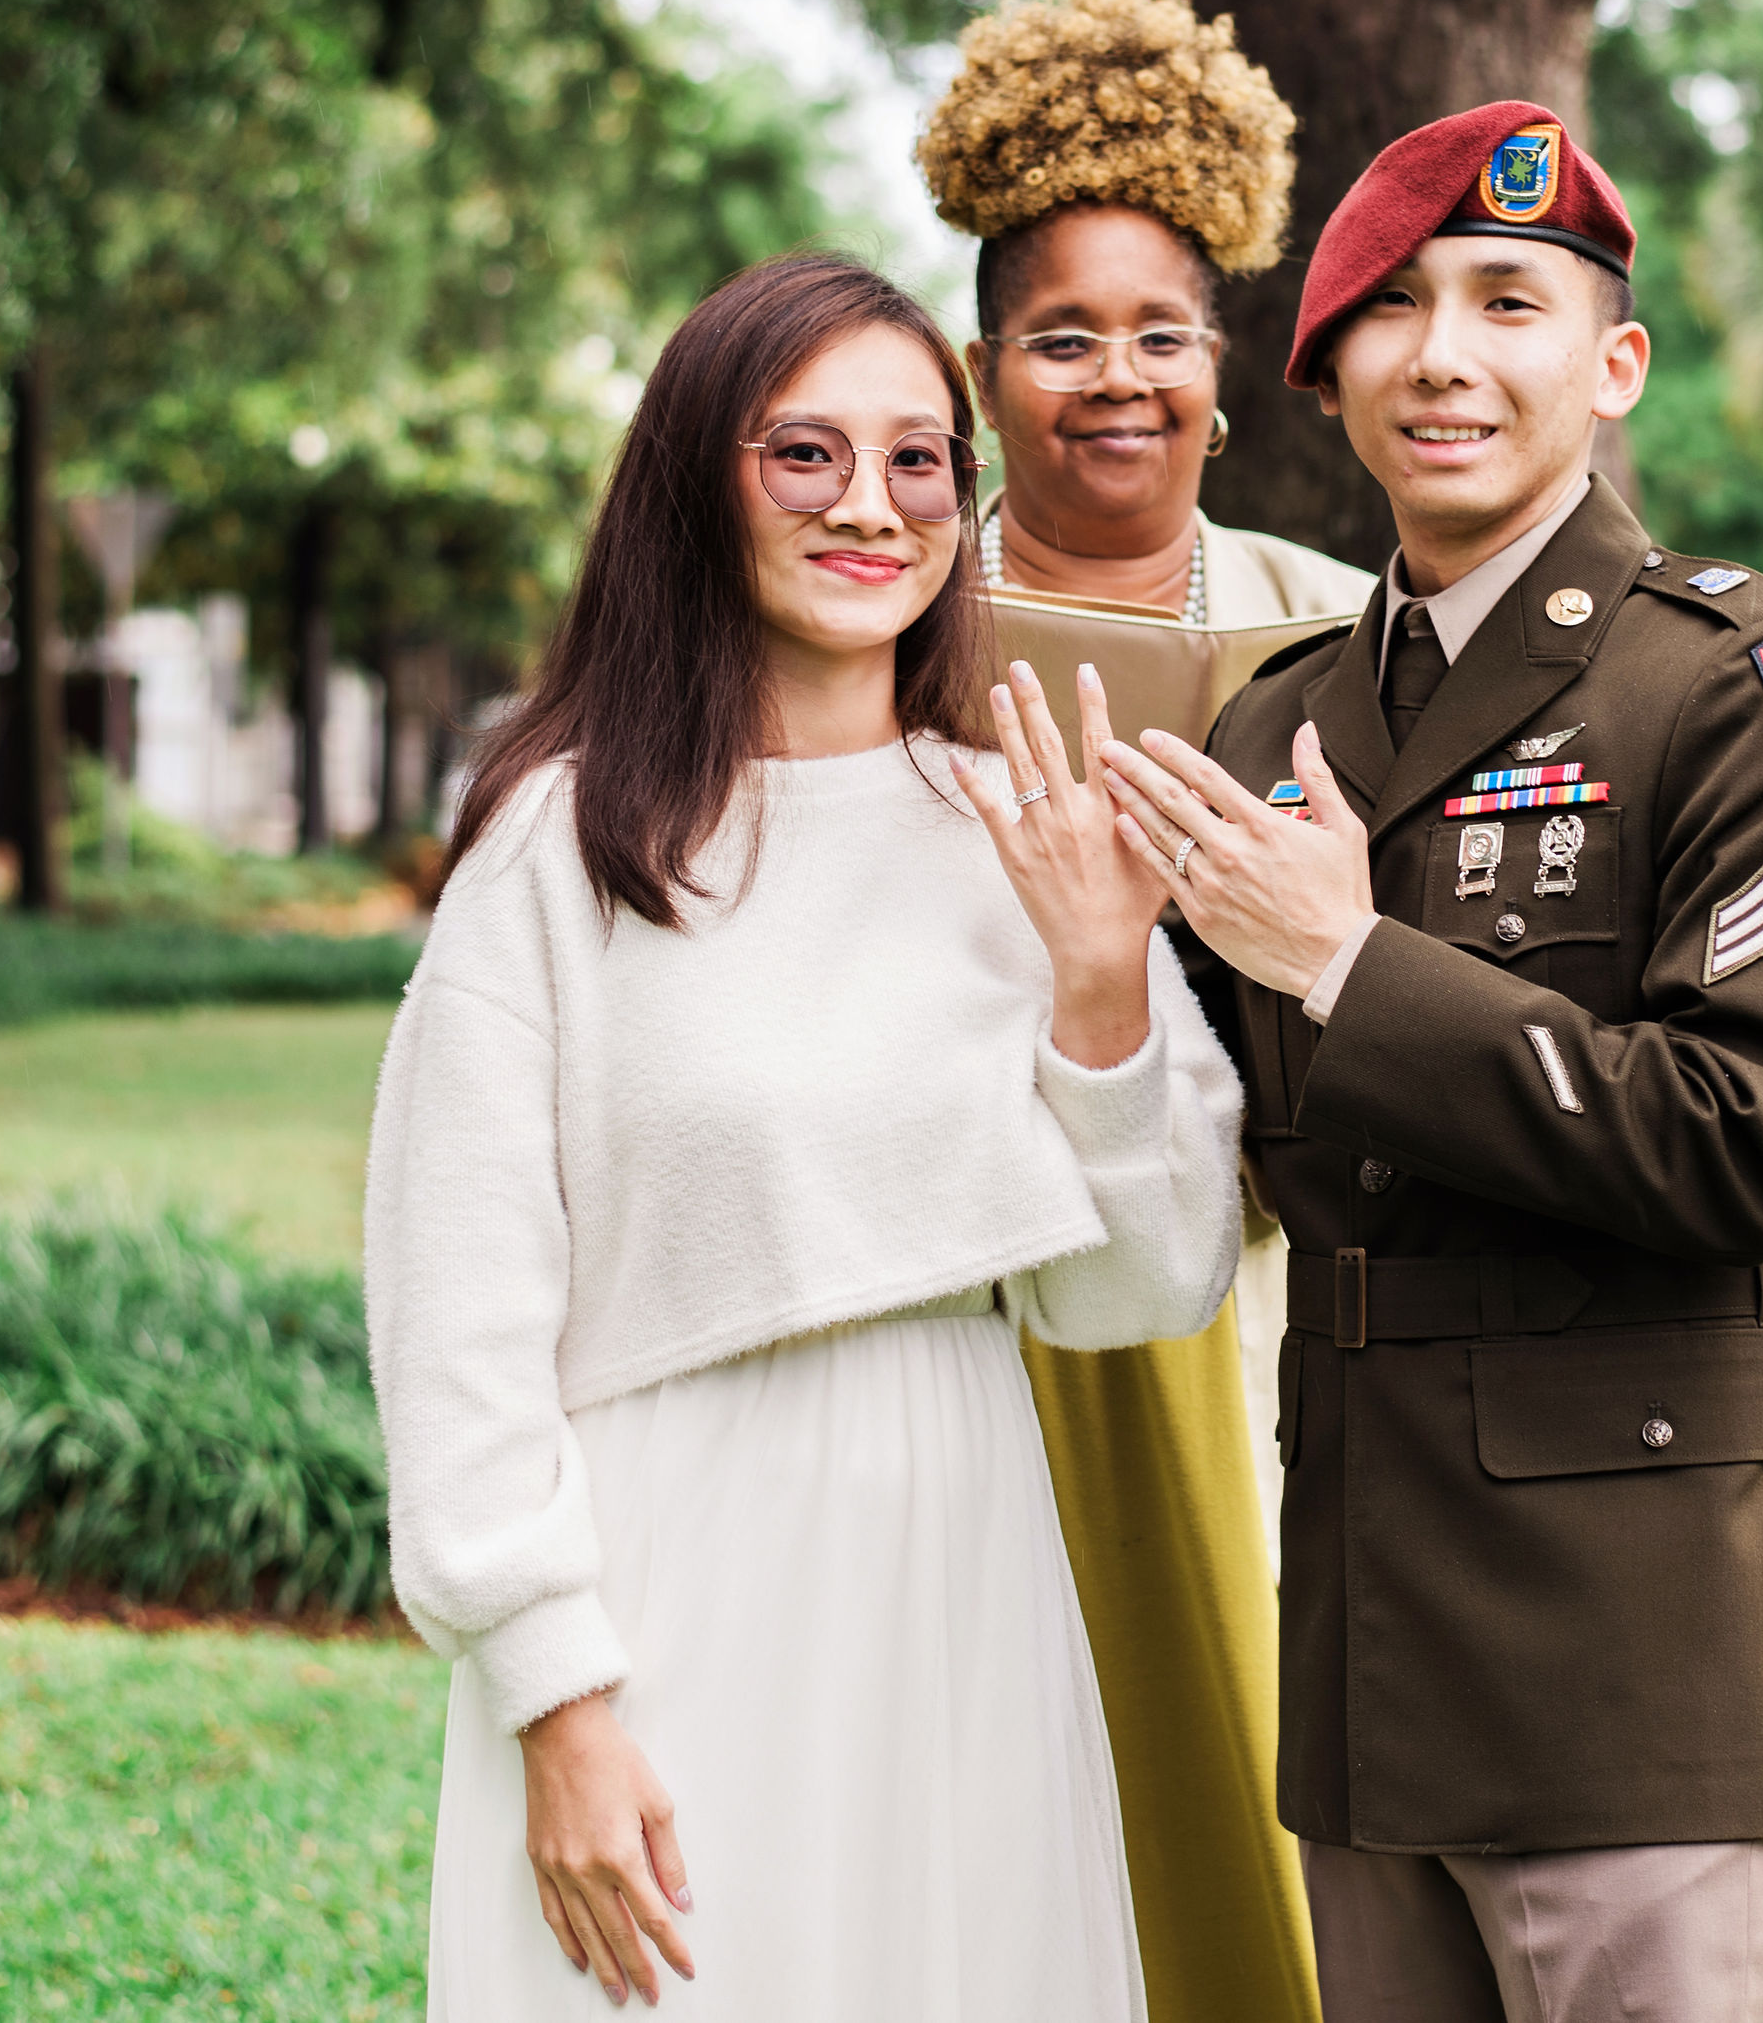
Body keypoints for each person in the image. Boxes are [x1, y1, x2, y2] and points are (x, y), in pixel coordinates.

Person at [363, 252, 1246, 2019]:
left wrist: (1100, 990)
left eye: (921, 459)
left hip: (969, 1569)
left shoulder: (1025, 829)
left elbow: (1147, 1289)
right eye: (805, 456)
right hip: (669, 1581)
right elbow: (454, 1327)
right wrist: (558, 1698)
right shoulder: (563, 845)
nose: (873, 506)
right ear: (703, 483)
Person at [1094, 103, 1763, 2023]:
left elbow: (1744, 1143)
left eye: (1507, 301)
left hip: (1627, 1636)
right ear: (1332, 378)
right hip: (1367, 1634)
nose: (1445, 353)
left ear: (1609, 363)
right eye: (1394, 310)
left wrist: (1348, 965)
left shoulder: (1736, 689)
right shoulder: (1283, 715)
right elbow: (1218, 1152)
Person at [914, 0, 1370, 2023]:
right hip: (930, 1275)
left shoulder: (1334, 626)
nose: (1118, 379)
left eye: (1161, 335)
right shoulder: (888, 616)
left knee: (1220, 1784)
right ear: (988, 369)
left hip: (1218, 1289)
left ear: (1227, 363)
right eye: (1063, 338)